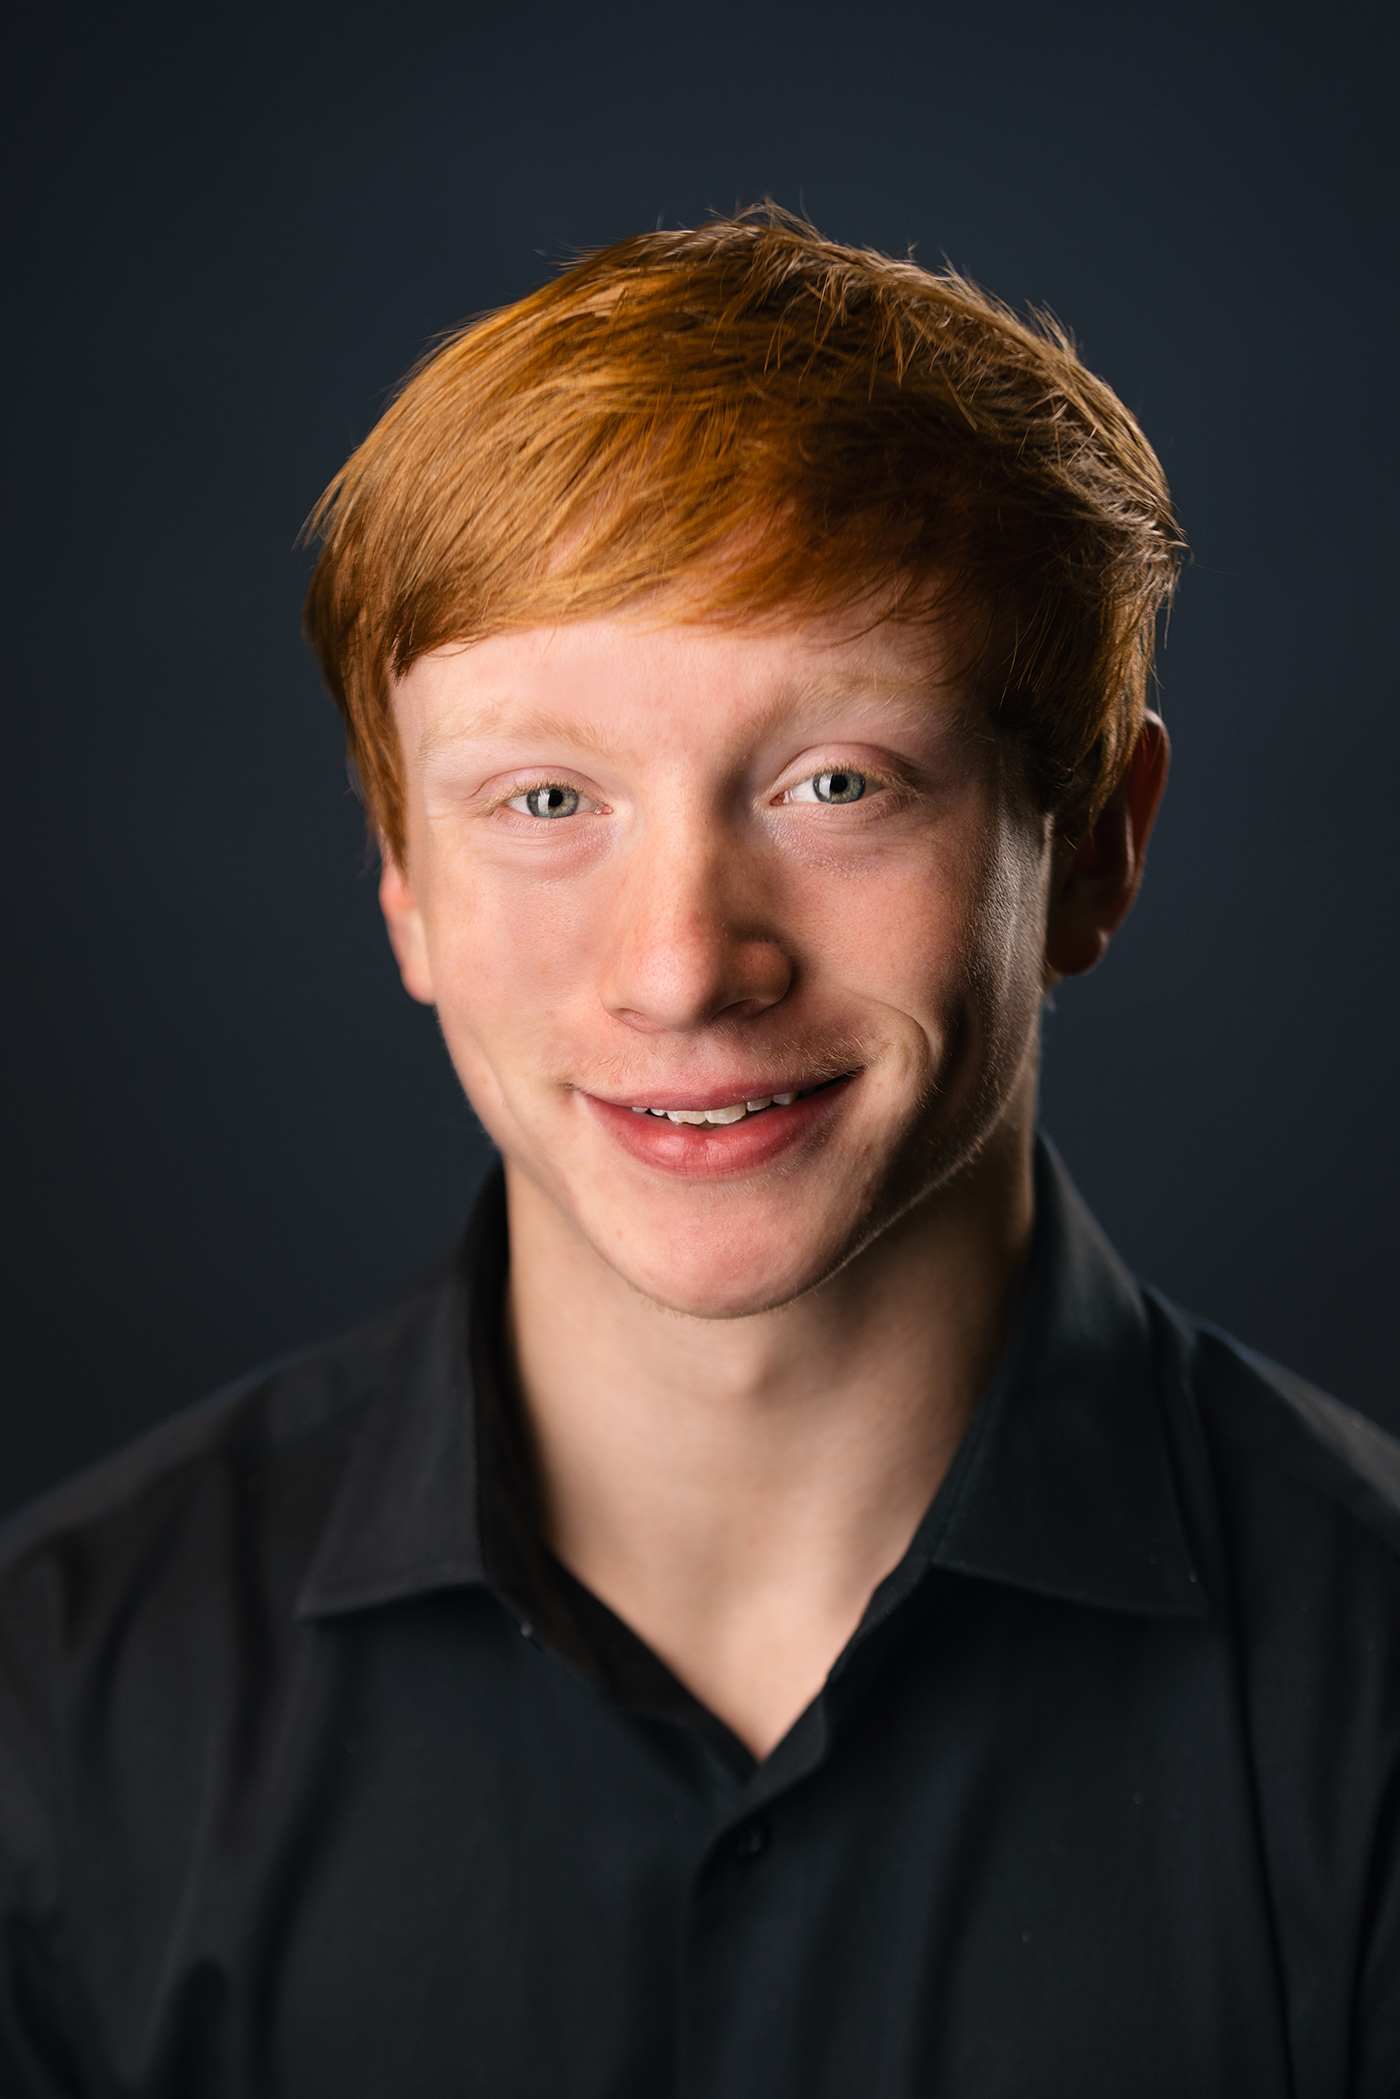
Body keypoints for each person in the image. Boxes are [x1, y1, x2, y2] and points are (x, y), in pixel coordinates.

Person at [0, 209, 1395, 2099]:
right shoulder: (53, 1709)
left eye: (839, 783)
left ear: (1097, 846)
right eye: (544, 798)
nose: (681, 969)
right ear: (403, 883)